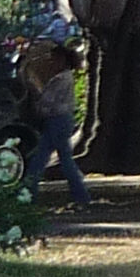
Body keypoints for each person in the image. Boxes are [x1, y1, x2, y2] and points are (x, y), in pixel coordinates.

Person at [23, 43, 90, 210]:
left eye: (55, 58)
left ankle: (28, 193)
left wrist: (36, 95)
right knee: (62, 159)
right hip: (60, 120)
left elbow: (48, 102)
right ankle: (80, 194)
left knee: (42, 158)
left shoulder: (62, 79)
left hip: (57, 120)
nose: (52, 61)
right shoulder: (61, 77)